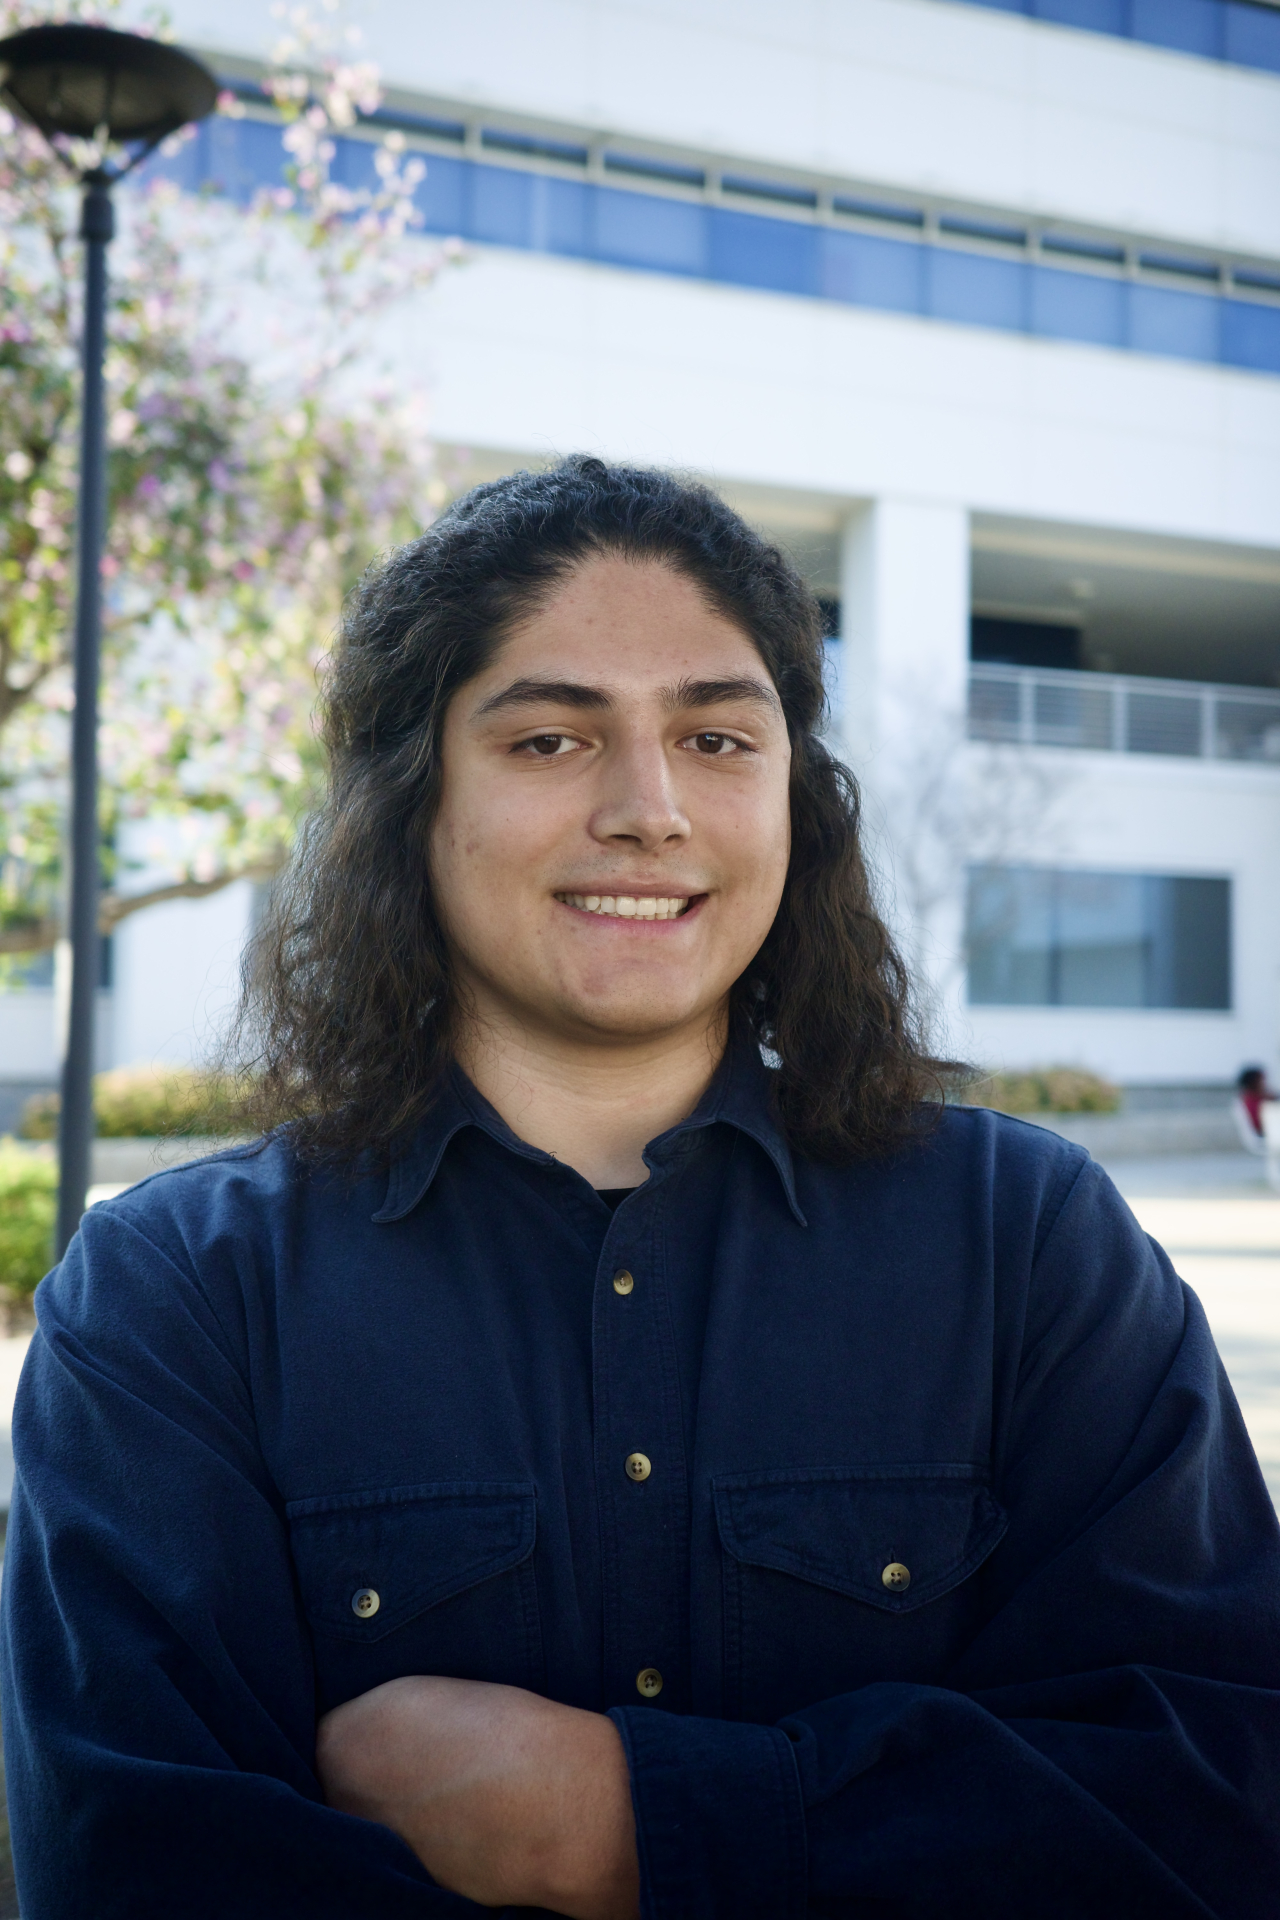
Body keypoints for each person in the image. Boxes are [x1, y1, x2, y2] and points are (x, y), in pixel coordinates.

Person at [3, 458, 1278, 1919]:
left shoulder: (1034, 1246)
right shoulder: (172, 1303)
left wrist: (631, 1825)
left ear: (800, 799)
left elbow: (1208, 1798)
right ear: (409, 802)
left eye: (721, 739)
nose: (650, 808)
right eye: (550, 739)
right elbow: (140, 1865)